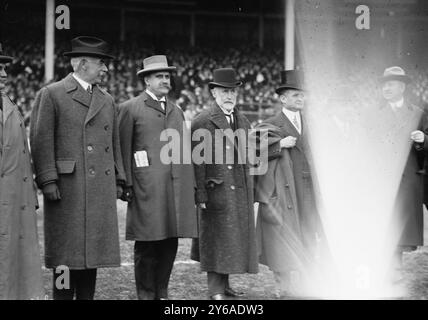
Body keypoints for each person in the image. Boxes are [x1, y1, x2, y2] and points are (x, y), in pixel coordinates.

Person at [29, 36, 126, 300]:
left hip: (97, 188)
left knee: (91, 257)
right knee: (65, 257)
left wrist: (118, 179)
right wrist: (48, 180)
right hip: (67, 188)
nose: (106, 69)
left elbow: (113, 143)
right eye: (101, 63)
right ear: (83, 64)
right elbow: (40, 139)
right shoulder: (52, 94)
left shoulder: (107, 100)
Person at [118, 55, 197, 300]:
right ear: (146, 81)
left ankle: (161, 290)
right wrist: (126, 182)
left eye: (167, 76)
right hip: (145, 187)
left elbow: (183, 151)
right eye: (159, 76)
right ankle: (146, 293)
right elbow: (122, 147)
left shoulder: (176, 110)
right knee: (147, 242)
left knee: (169, 240)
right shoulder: (130, 108)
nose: (165, 80)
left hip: (174, 187)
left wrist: (189, 185)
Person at [254, 70, 324, 297]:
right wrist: (279, 145)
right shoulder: (271, 124)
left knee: (308, 234)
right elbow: (254, 152)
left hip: (310, 190)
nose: (301, 99)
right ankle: (282, 286)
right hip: (285, 190)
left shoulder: (313, 123)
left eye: (302, 95)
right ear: (283, 98)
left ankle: (306, 283)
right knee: (282, 237)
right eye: (295, 95)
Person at [191, 68, 258, 300]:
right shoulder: (202, 121)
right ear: (214, 93)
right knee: (216, 239)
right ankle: (215, 290)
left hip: (238, 188)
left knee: (231, 239)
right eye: (224, 91)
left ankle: (225, 285)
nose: (229, 95)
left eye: (232, 91)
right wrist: (200, 194)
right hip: (215, 189)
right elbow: (197, 162)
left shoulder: (242, 119)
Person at [0, 43, 44, 300]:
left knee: (14, 262)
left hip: (15, 199)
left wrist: (30, 193)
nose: (4, 74)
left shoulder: (10, 105)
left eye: (4, 67)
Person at [376, 66, 426, 281]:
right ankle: (386, 265)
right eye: (384, 84)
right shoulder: (374, 113)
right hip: (381, 177)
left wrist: (423, 140)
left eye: (391, 83)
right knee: (383, 220)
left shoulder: (418, 113)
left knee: (403, 223)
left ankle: (395, 265)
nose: (386, 87)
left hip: (407, 177)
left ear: (402, 86)